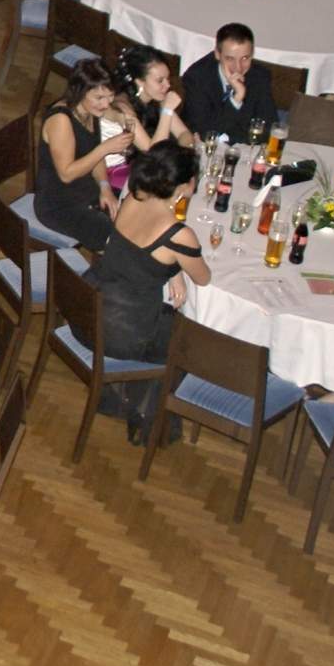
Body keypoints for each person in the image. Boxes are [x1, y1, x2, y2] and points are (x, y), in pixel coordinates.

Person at [89, 141, 208, 444]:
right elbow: (203, 278)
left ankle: (124, 395)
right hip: (122, 332)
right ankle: (145, 413)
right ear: (184, 185)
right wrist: (179, 265)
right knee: (183, 335)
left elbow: (139, 251)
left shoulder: (132, 198)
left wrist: (173, 270)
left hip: (90, 307)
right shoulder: (179, 234)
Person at [36, 59, 131, 250]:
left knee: (134, 215)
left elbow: (94, 156)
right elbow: (66, 174)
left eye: (110, 96)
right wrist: (105, 148)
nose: (106, 104)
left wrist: (105, 187)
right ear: (80, 92)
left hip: (86, 191)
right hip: (59, 203)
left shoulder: (89, 111)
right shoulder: (61, 120)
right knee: (116, 241)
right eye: (99, 97)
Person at [178, 22, 280, 142]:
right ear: (217, 54)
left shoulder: (260, 77)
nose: (238, 67)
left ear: (252, 54)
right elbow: (204, 132)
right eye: (230, 59)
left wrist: (227, 137)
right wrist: (236, 99)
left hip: (242, 148)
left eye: (245, 58)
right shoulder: (197, 77)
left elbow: (269, 130)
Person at [109, 45, 194, 155]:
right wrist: (167, 112)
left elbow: (184, 133)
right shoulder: (124, 108)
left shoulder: (157, 98)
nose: (168, 85)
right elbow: (152, 152)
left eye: (168, 78)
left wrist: (184, 152)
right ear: (139, 81)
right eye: (160, 81)